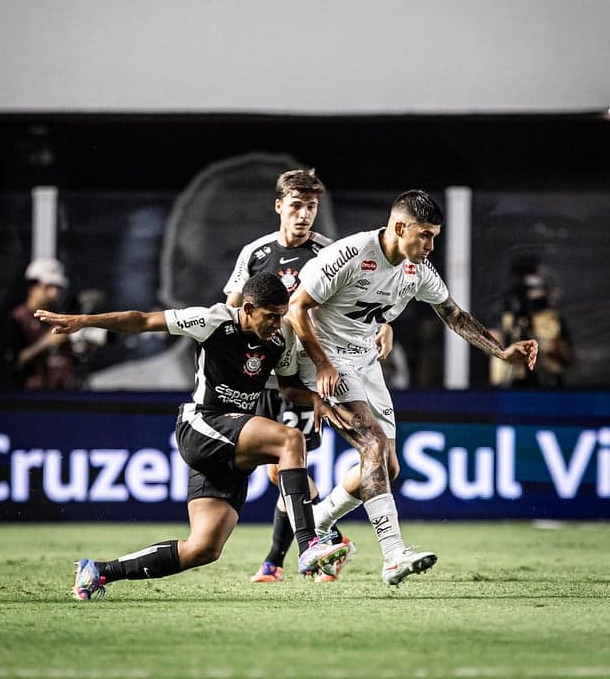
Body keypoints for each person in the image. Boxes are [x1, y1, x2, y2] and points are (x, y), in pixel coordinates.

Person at [35, 272, 349, 601]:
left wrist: (314, 400)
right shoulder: (212, 319)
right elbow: (141, 321)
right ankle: (309, 544)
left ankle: (98, 571)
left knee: (203, 548)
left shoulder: (281, 336)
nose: (277, 322)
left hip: (229, 442)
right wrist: (84, 320)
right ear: (247, 307)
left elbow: (287, 387)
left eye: (282, 314)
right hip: (202, 424)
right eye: (270, 315)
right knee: (291, 440)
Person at [285, 189, 539, 587]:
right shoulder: (351, 254)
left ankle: (316, 522)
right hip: (326, 360)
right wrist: (321, 364)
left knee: (386, 466)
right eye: (425, 235)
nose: (430, 245)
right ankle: (392, 556)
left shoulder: (415, 270)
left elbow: (453, 314)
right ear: (399, 227)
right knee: (371, 444)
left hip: (365, 362)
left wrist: (501, 353)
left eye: (435, 236)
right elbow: (297, 307)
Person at [223, 168, 389, 583]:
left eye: (311, 207)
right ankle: (325, 539)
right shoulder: (255, 253)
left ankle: (278, 561)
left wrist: (385, 324)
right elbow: (231, 308)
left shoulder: (331, 252)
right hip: (267, 370)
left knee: (285, 464)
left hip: (305, 369)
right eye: (296, 206)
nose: (303, 215)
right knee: (279, 470)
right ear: (279, 206)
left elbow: (364, 299)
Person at [489, 259, 574, 388]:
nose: (531, 294)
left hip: (546, 383)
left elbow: (567, 356)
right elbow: (491, 342)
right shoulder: (505, 317)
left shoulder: (551, 318)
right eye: (526, 289)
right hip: (509, 385)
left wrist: (548, 344)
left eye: (537, 288)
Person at [4, 257, 77, 390]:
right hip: (31, 397)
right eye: (48, 287)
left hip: (64, 393)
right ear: (33, 286)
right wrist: (46, 343)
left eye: (58, 288)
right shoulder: (17, 318)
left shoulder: (60, 317)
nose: (54, 293)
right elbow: (13, 362)